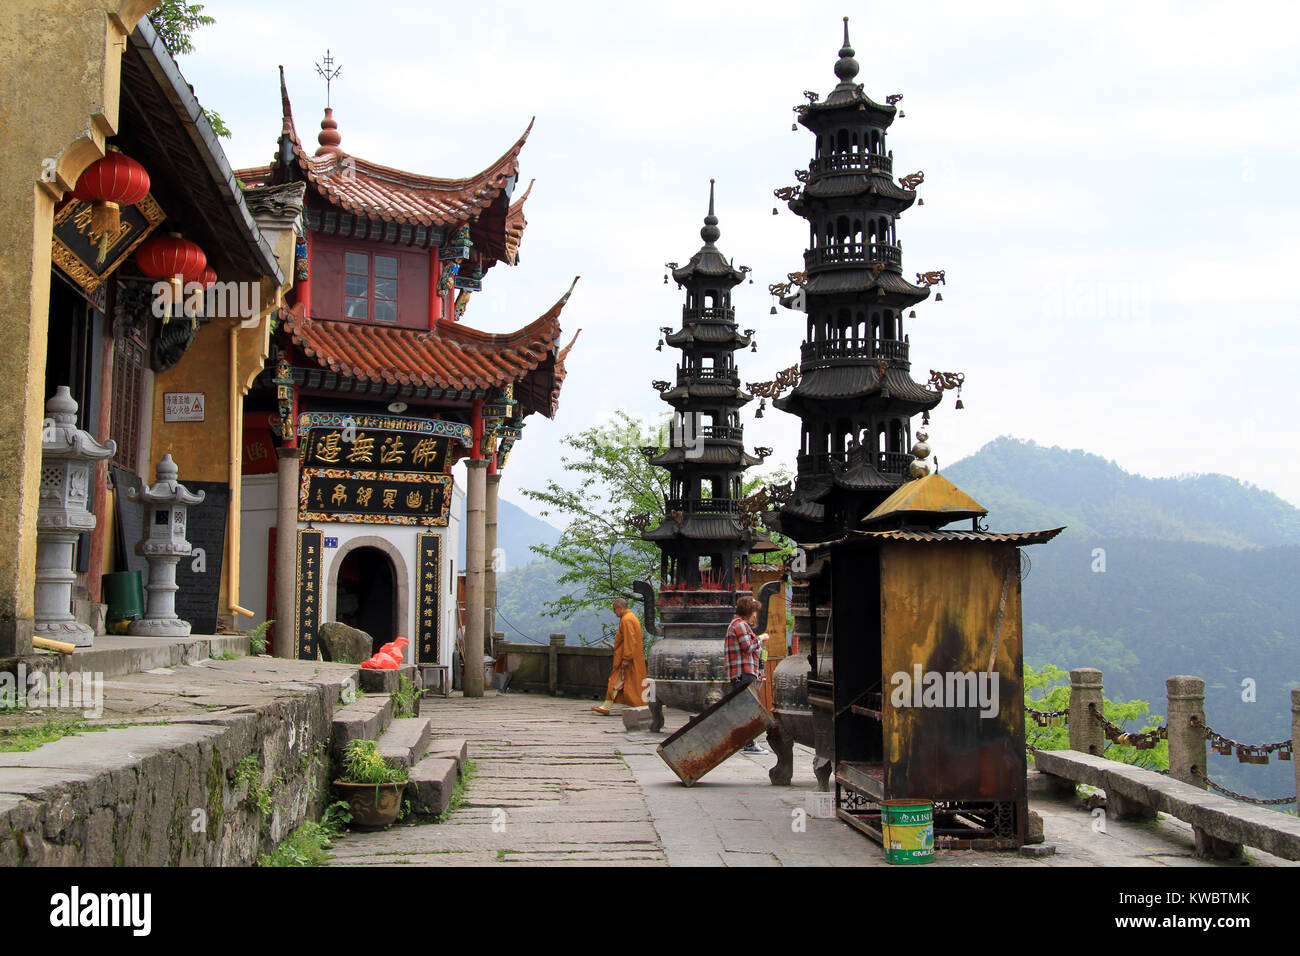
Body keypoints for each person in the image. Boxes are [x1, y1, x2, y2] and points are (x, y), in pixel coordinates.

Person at [725, 595, 770, 755]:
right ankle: (749, 743)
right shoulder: (740, 625)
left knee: (745, 707)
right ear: (749, 611)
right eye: (754, 612)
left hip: (741, 672)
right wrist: (761, 639)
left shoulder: (737, 624)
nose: (755, 615)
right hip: (743, 672)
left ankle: (746, 741)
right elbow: (748, 647)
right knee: (749, 708)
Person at [592, 598, 648, 715]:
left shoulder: (627, 619)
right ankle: (607, 706)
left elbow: (629, 639)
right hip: (633, 657)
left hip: (628, 658)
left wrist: (626, 658)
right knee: (626, 682)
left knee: (617, 680)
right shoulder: (631, 617)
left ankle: (608, 706)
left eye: (615, 609)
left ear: (620, 608)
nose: (614, 612)